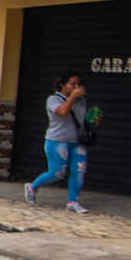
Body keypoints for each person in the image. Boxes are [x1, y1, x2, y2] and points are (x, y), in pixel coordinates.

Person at [28, 73, 89, 212]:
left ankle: (73, 202)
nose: (77, 87)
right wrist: (73, 97)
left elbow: (83, 119)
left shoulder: (81, 100)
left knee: (79, 170)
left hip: (78, 142)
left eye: (78, 84)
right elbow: (62, 112)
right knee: (57, 173)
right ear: (62, 85)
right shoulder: (53, 99)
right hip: (57, 141)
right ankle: (32, 187)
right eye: (72, 84)